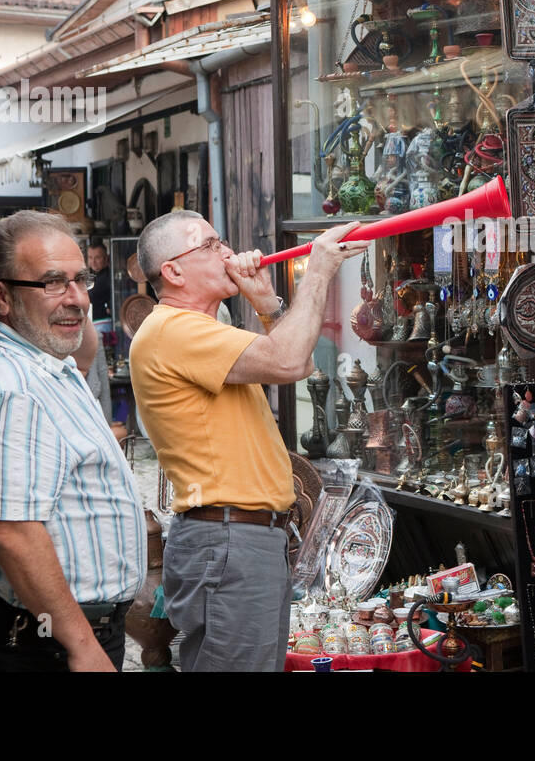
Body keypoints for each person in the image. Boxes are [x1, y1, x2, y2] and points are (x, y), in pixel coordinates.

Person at [129, 211, 368, 671]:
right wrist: (317, 271)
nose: (226, 252)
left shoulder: (201, 330)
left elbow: (286, 354)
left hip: (239, 540)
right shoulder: (174, 331)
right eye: (210, 245)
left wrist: (267, 303)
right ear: (173, 272)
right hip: (228, 542)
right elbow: (290, 362)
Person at [0, 211, 146, 672]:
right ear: (0, 295)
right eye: (53, 283)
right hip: (38, 641)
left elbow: (83, 348)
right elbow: (13, 532)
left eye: (81, 280)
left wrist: (65, 304)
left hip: (35, 630)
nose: (77, 299)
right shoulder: (14, 389)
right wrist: (82, 647)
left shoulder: (29, 350)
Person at [87, 241, 113, 333]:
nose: (93, 262)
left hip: (103, 325)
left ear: (106, 258)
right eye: (90, 257)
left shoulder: (107, 276)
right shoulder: (95, 275)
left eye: (97, 257)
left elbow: (90, 296)